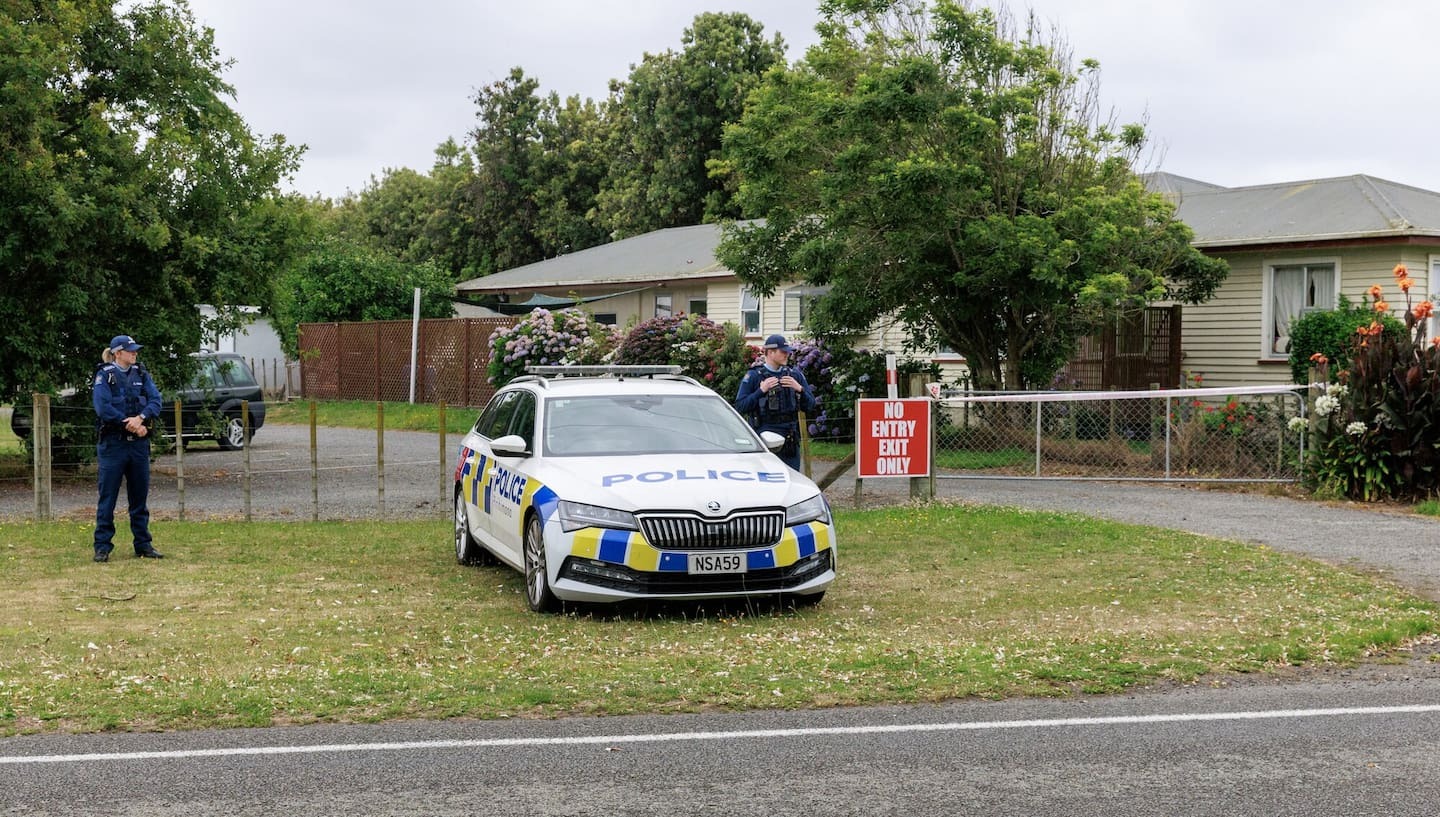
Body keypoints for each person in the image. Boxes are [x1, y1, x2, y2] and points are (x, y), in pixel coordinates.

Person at [92, 334, 164, 562]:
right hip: (114, 446)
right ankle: (102, 546)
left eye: (135, 350)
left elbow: (156, 401)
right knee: (108, 498)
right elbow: (103, 408)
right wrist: (132, 425)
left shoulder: (142, 374)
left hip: (138, 448)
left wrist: (141, 418)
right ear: (117, 353)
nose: (135, 353)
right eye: (130, 350)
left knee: (139, 499)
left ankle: (143, 545)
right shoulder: (105, 376)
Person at [735, 334, 816, 472]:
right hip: (763, 440)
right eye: (783, 352)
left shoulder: (794, 375)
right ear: (771, 352)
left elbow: (810, 405)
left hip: (789, 440)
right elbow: (741, 406)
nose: (787, 355)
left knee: (792, 480)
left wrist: (800, 389)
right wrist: (761, 390)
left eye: (787, 352)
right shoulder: (754, 376)